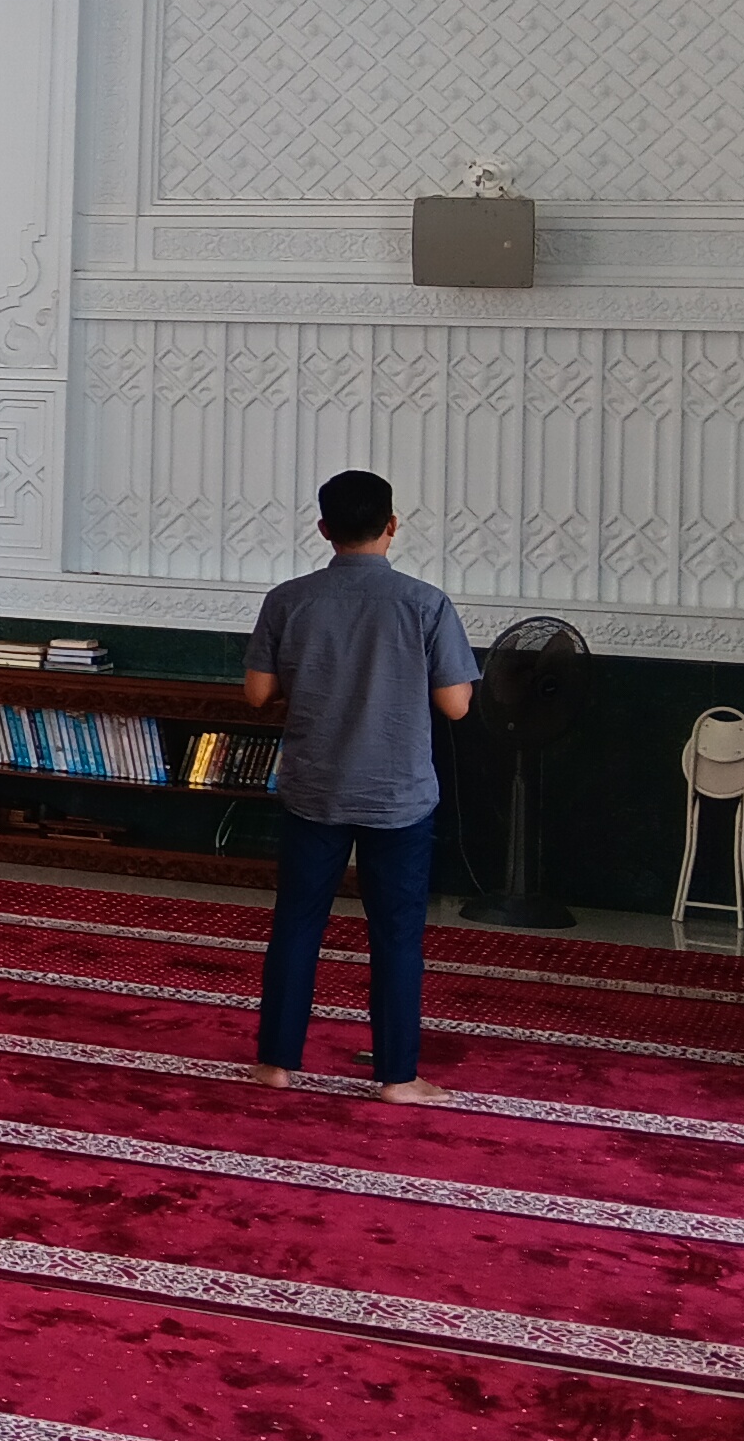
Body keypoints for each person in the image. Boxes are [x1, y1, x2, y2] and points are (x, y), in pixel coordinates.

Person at [242, 470, 477, 1104]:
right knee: (396, 935)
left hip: (314, 789)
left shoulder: (287, 600)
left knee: (297, 924)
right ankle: (398, 1077)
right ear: (393, 525)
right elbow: (456, 705)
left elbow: (258, 693)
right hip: (398, 797)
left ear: (323, 529)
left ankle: (276, 1064)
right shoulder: (425, 603)